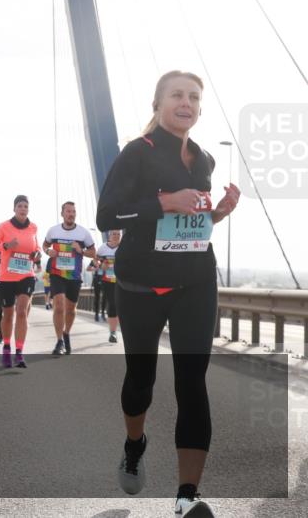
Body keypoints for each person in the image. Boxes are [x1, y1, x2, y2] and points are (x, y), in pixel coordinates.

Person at [97, 70, 239, 518]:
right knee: (141, 383)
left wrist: (216, 213)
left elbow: (192, 224)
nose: (187, 103)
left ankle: (186, 497)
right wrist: (164, 200)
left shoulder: (203, 160)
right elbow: (106, 215)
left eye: (194, 97)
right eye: (177, 95)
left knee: (192, 383)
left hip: (195, 279)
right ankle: (134, 444)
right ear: (158, 104)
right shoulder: (136, 153)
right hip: (142, 283)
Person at [0, 196, 40, 368]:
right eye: (20, 206)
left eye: (26, 206)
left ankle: (20, 353)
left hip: (26, 275)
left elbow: (36, 247)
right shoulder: (4, 227)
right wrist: (5, 246)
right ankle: (7, 348)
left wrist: (37, 253)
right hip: (7, 277)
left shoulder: (33, 227)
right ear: (14, 208)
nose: (23, 209)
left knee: (22, 312)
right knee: (8, 314)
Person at [43, 201, 97, 356]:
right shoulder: (53, 231)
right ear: (62, 214)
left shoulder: (83, 233)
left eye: (73, 211)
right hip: (57, 274)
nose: (71, 214)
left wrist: (81, 250)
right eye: (68, 211)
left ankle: (66, 333)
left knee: (71, 310)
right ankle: (59, 341)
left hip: (74, 276)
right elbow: (45, 245)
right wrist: (48, 252)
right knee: (59, 305)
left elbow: (93, 253)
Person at [96, 230, 122, 343]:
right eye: (114, 234)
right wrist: (101, 265)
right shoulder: (103, 248)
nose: (116, 236)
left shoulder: (124, 247)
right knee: (113, 304)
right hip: (108, 281)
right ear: (109, 235)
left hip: (122, 281)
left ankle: (124, 331)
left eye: (118, 234)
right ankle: (113, 333)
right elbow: (95, 261)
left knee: (122, 306)